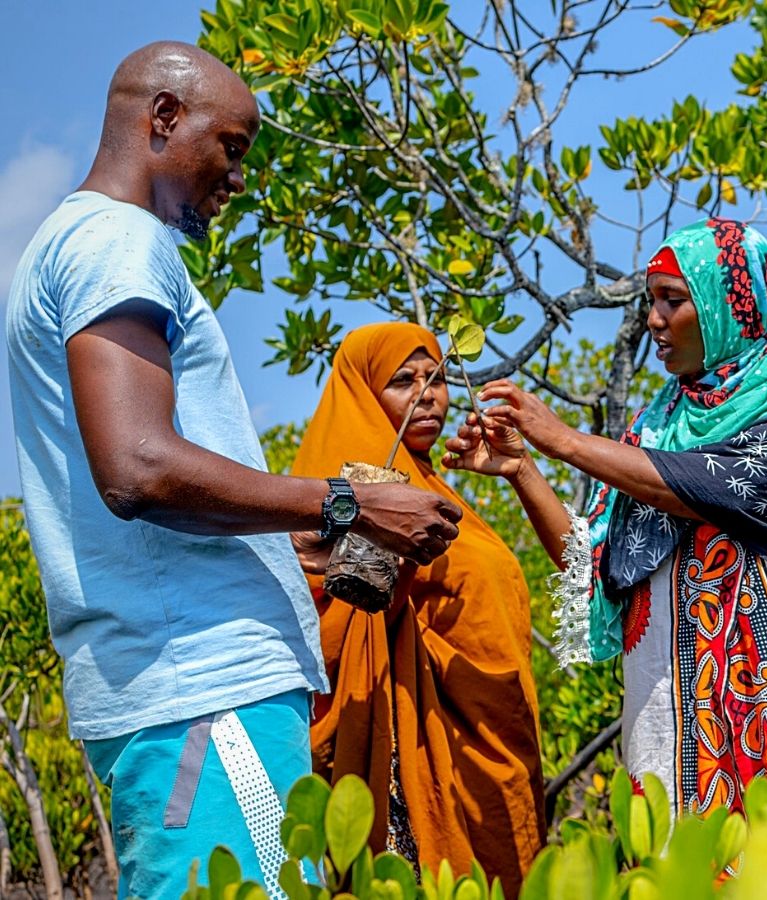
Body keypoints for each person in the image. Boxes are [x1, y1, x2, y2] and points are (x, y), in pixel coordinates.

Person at [5, 42, 461, 899]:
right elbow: (137, 468)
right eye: (233, 146)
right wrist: (347, 505)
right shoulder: (116, 242)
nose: (239, 177)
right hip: (204, 695)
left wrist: (292, 537)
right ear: (164, 119)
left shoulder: (77, 243)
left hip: (188, 693)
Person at [446, 219, 767, 816]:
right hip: (670, 707)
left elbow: (717, 485)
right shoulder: (657, 425)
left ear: (730, 304)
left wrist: (567, 441)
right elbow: (595, 561)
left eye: (672, 300)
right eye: (652, 301)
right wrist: (522, 469)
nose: (653, 319)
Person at [288, 323, 545, 895]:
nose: (427, 396)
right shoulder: (345, 493)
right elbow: (323, 624)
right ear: (362, 393)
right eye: (403, 381)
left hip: (489, 746)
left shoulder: (435, 490)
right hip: (408, 749)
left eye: (438, 379)